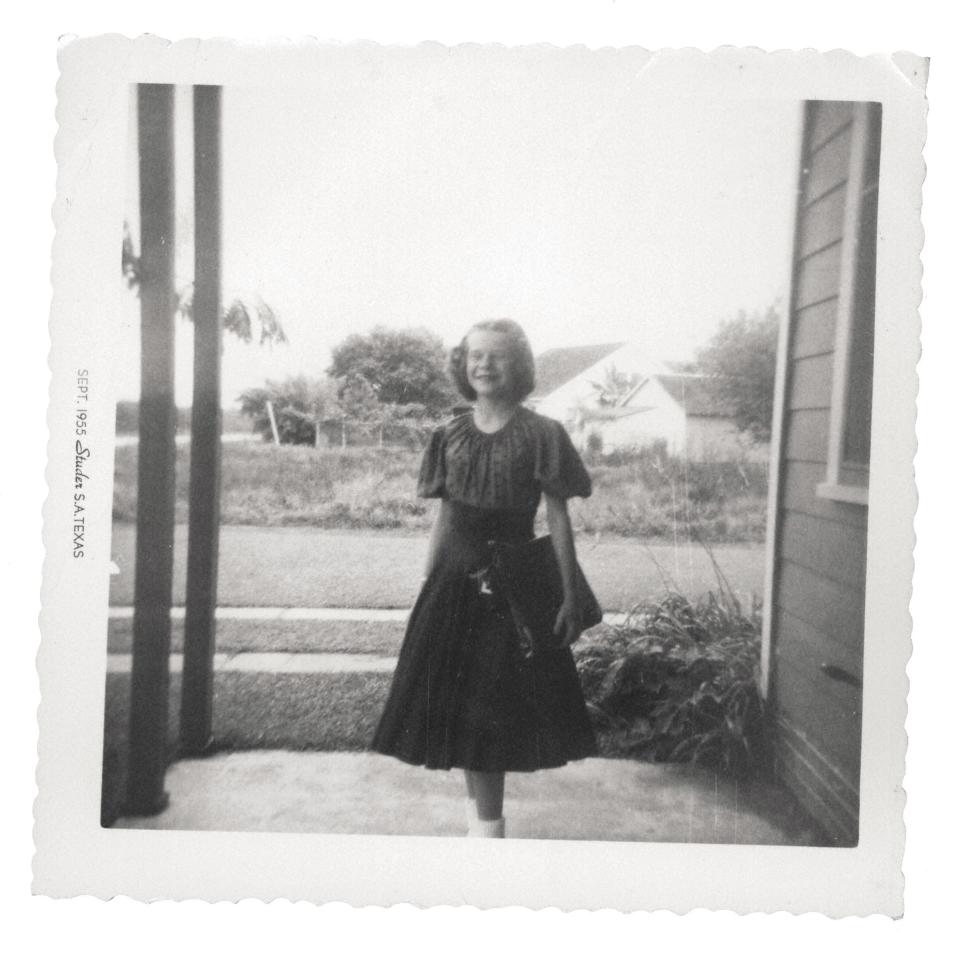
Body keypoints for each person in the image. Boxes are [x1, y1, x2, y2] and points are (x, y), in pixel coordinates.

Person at [371, 318, 598, 838]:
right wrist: (429, 585)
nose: (485, 365)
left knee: (490, 718)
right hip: (454, 585)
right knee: (460, 714)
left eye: (497, 356)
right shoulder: (447, 434)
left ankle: (488, 837)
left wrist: (568, 594)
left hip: (509, 589)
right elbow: (445, 517)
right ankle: (480, 829)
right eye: (475, 356)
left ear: (517, 366)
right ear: (462, 364)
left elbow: (558, 518)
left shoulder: (543, 434)